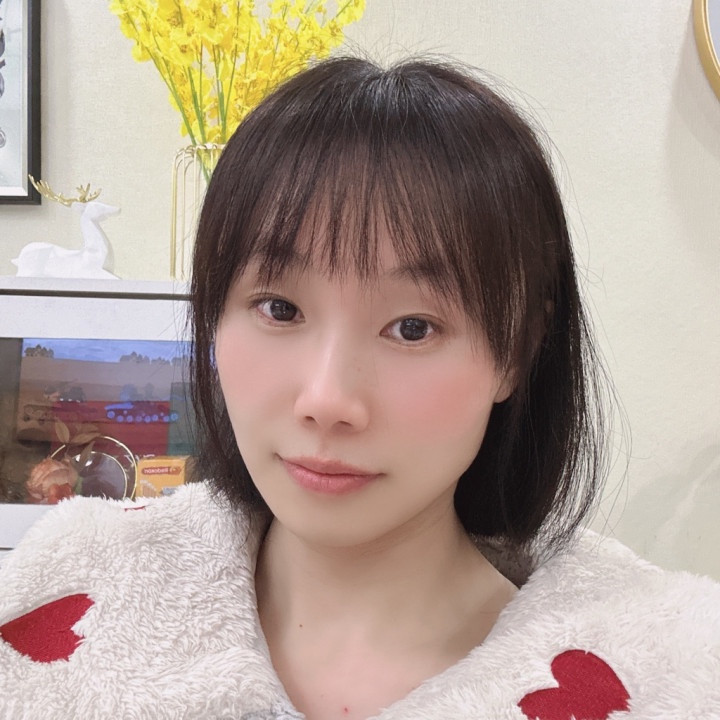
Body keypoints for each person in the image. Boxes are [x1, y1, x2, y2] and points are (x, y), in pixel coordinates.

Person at [1, 56, 719, 720]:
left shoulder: (669, 675)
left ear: (516, 350)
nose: (327, 399)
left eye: (413, 328)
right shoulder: (71, 578)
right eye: (279, 308)